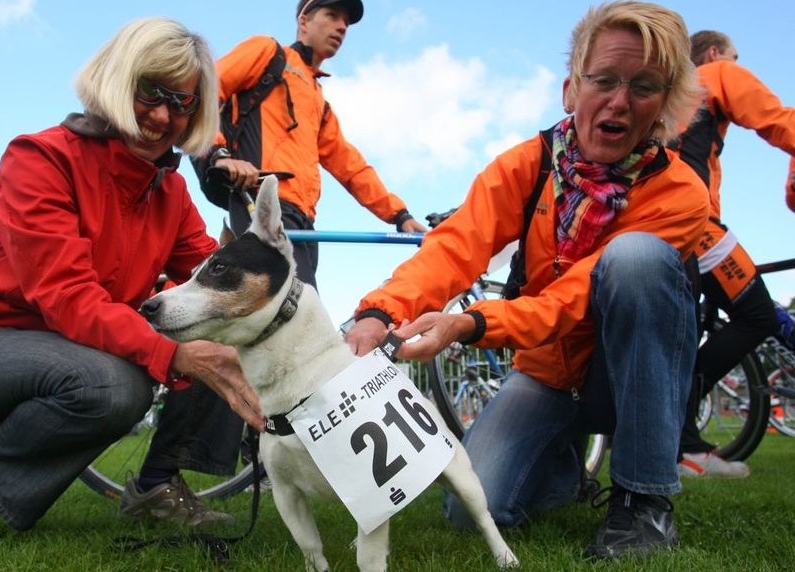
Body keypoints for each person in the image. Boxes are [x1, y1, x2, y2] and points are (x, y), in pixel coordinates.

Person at [345, 1, 706, 560]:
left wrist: (470, 323)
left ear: (664, 104)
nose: (619, 102)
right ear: (570, 90)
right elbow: (455, 246)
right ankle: (563, 467)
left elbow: (573, 297)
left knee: (636, 259)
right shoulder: (526, 165)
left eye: (643, 86)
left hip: (621, 375)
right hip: (546, 371)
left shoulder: (681, 193)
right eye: (603, 80)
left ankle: (644, 503)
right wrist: (380, 311)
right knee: (471, 510)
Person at [0, 17, 264, 545]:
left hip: (79, 349)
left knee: (222, 330)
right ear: (117, 80)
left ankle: (156, 485)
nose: (163, 115)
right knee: (114, 386)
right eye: (150, 91)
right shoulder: (41, 157)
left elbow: (217, 283)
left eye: (183, 102)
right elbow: (67, 297)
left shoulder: (171, 193)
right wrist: (174, 355)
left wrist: (282, 327)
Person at [196, 0, 428, 289]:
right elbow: (206, 87)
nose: (341, 27)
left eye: (346, 23)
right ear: (304, 20)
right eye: (332, 15)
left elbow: (351, 167)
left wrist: (399, 215)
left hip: (303, 220)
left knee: (300, 304)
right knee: (293, 306)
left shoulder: (319, 101)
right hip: (263, 203)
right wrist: (218, 153)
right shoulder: (267, 52)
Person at [671, 29, 795, 478]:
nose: (738, 65)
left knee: (685, 333)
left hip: (662, 222)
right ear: (713, 53)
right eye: (735, 56)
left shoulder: (669, 92)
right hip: (694, 224)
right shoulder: (716, 74)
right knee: (757, 315)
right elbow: (777, 120)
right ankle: (683, 443)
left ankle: (681, 443)